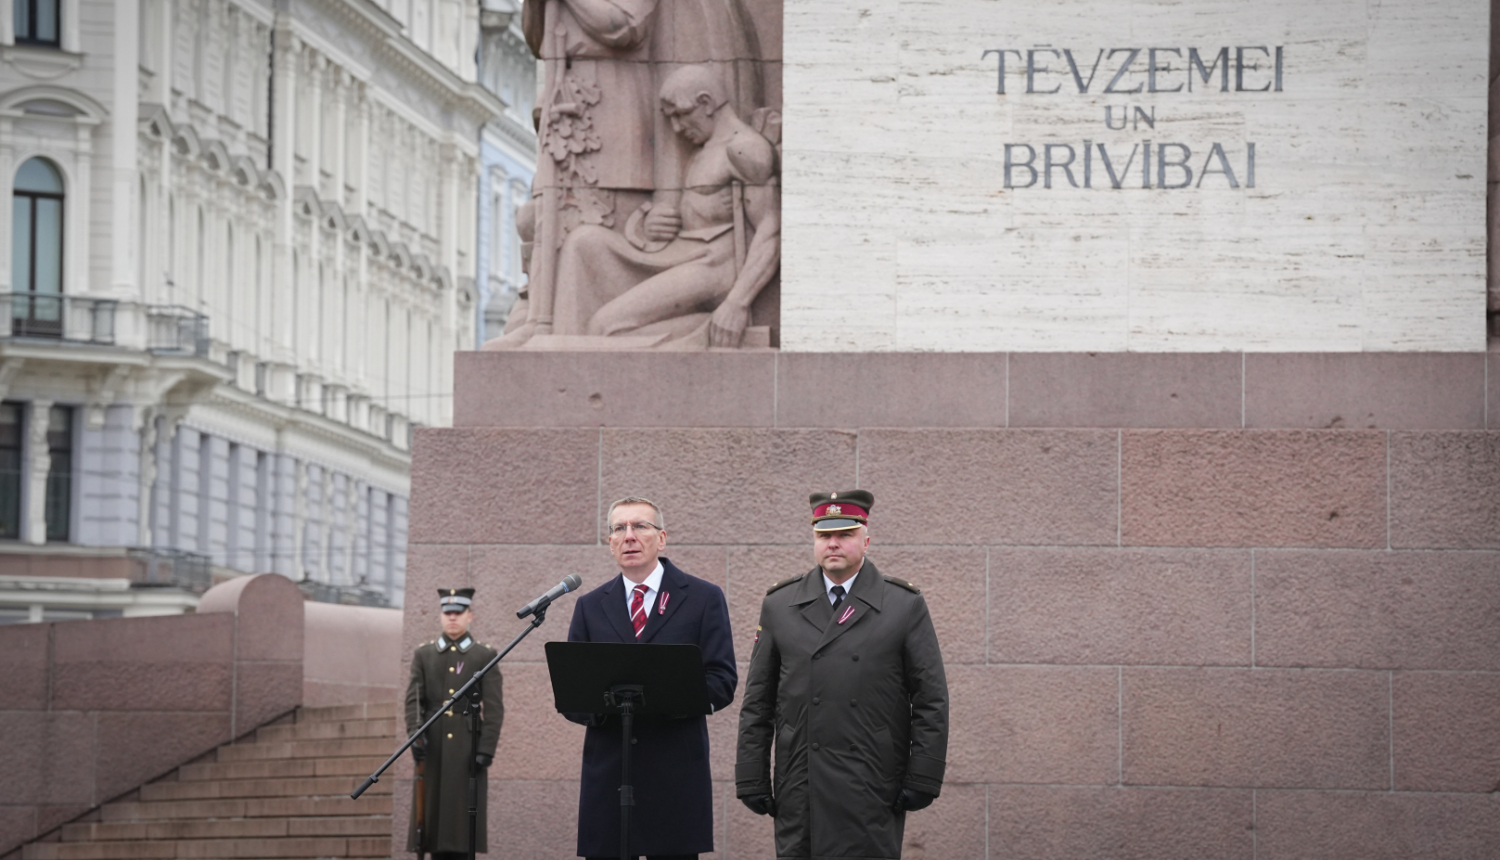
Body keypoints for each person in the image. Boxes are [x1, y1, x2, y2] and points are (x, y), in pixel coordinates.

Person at [735, 491, 950, 860]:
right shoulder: (779, 604)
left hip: (871, 781)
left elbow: (931, 698)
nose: (833, 543)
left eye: (845, 534)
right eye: (823, 535)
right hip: (800, 780)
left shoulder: (903, 604)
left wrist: (924, 775)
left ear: (865, 539)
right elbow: (758, 701)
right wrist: (751, 775)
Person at [551, 64, 780, 348]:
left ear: (706, 103)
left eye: (681, 116)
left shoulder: (745, 149)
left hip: (714, 265)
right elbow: (696, 213)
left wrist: (737, 303)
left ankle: (701, 329)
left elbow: (771, 230)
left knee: (603, 325)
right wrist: (650, 223)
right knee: (583, 242)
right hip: (680, 253)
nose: (677, 128)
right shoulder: (706, 149)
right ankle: (560, 343)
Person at [566, 496, 738, 859]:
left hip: (674, 774)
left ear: (661, 538)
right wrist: (600, 707)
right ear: (610, 542)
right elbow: (573, 689)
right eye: (619, 528)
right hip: (610, 774)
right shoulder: (590, 606)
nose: (629, 536)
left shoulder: (703, 598)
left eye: (640, 526)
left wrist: (669, 697)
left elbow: (722, 680)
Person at [405, 588, 505, 859]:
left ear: (469, 615)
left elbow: (494, 708)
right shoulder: (424, 654)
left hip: (466, 745)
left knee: (463, 824)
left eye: (458, 613)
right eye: (447, 613)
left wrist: (486, 750)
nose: (452, 618)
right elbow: (414, 700)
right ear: (440, 616)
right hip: (432, 743)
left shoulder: (483, 655)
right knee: (431, 821)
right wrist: (416, 736)